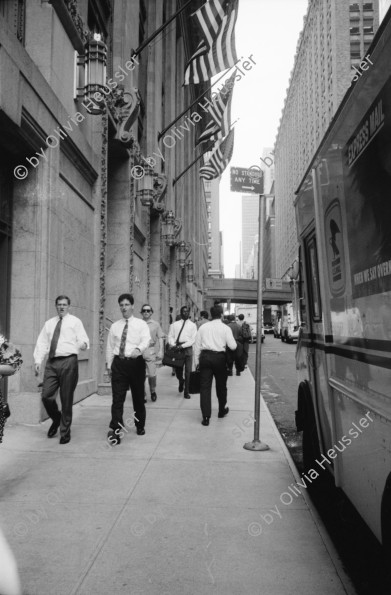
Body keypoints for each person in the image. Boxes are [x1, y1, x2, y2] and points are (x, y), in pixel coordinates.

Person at [34, 296, 89, 444]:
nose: (62, 307)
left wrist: (83, 344)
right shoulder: (49, 324)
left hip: (68, 361)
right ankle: (56, 418)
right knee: (46, 395)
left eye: (64, 305)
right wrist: (38, 360)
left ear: (69, 306)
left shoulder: (75, 322)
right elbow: (42, 343)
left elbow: (83, 339)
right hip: (52, 363)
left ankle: (65, 432)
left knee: (66, 398)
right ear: (56, 306)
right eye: (59, 304)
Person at [106, 293, 150, 445]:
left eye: (126, 305)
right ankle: (116, 430)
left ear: (132, 306)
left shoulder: (141, 324)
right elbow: (110, 347)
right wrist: (109, 366)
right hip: (119, 364)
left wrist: (139, 348)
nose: (123, 308)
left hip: (135, 364)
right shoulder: (115, 326)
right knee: (117, 399)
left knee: (138, 398)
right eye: (121, 305)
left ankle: (140, 425)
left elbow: (146, 339)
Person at [194, 305, 237, 426]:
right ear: (222, 314)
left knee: (205, 388)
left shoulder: (203, 327)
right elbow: (233, 346)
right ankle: (221, 410)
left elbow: (197, 346)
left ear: (211, 314)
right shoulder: (225, 328)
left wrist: (197, 362)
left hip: (205, 358)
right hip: (219, 358)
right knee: (221, 386)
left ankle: (206, 417)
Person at [168, 305, 197, 399]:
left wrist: (182, 346)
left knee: (188, 371)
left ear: (189, 313)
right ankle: (181, 381)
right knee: (178, 371)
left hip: (187, 349)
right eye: (184, 311)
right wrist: (173, 345)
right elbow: (170, 336)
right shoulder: (174, 325)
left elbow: (193, 340)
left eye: (187, 311)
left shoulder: (193, 325)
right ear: (180, 313)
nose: (186, 313)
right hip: (177, 349)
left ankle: (186, 391)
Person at [140, 304, 164, 402]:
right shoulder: (138, 323)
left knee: (151, 374)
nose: (146, 312)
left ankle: (152, 390)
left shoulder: (155, 324)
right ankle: (143, 394)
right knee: (140, 375)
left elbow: (160, 337)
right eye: (144, 310)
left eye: (148, 310)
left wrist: (161, 350)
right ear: (141, 312)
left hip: (150, 351)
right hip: (139, 352)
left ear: (151, 312)